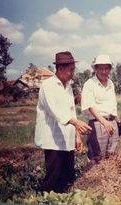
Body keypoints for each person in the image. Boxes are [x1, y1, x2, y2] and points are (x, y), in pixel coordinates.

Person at [34, 51, 92, 194]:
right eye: (70, 70)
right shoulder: (48, 86)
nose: (72, 73)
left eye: (73, 69)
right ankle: (44, 201)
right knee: (53, 177)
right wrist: (76, 122)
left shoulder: (69, 87)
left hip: (67, 139)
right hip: (52, 139)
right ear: (60, 69)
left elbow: (72, 111)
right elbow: (55, 110)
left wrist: (77, 136)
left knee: (67, 177)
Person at [81, 54, 120, 164]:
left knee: (112, 155)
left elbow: (113, 104)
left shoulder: (111, 83)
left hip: (112, 122)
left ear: (110, 69)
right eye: (101, 68)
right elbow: (90, 106)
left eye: (106, 68)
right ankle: (94, 180)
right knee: (97, 157)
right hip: (98, 123)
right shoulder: (90, 84)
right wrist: (104, 122)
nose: (104, 71)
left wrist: (118, 122)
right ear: (96, 69)